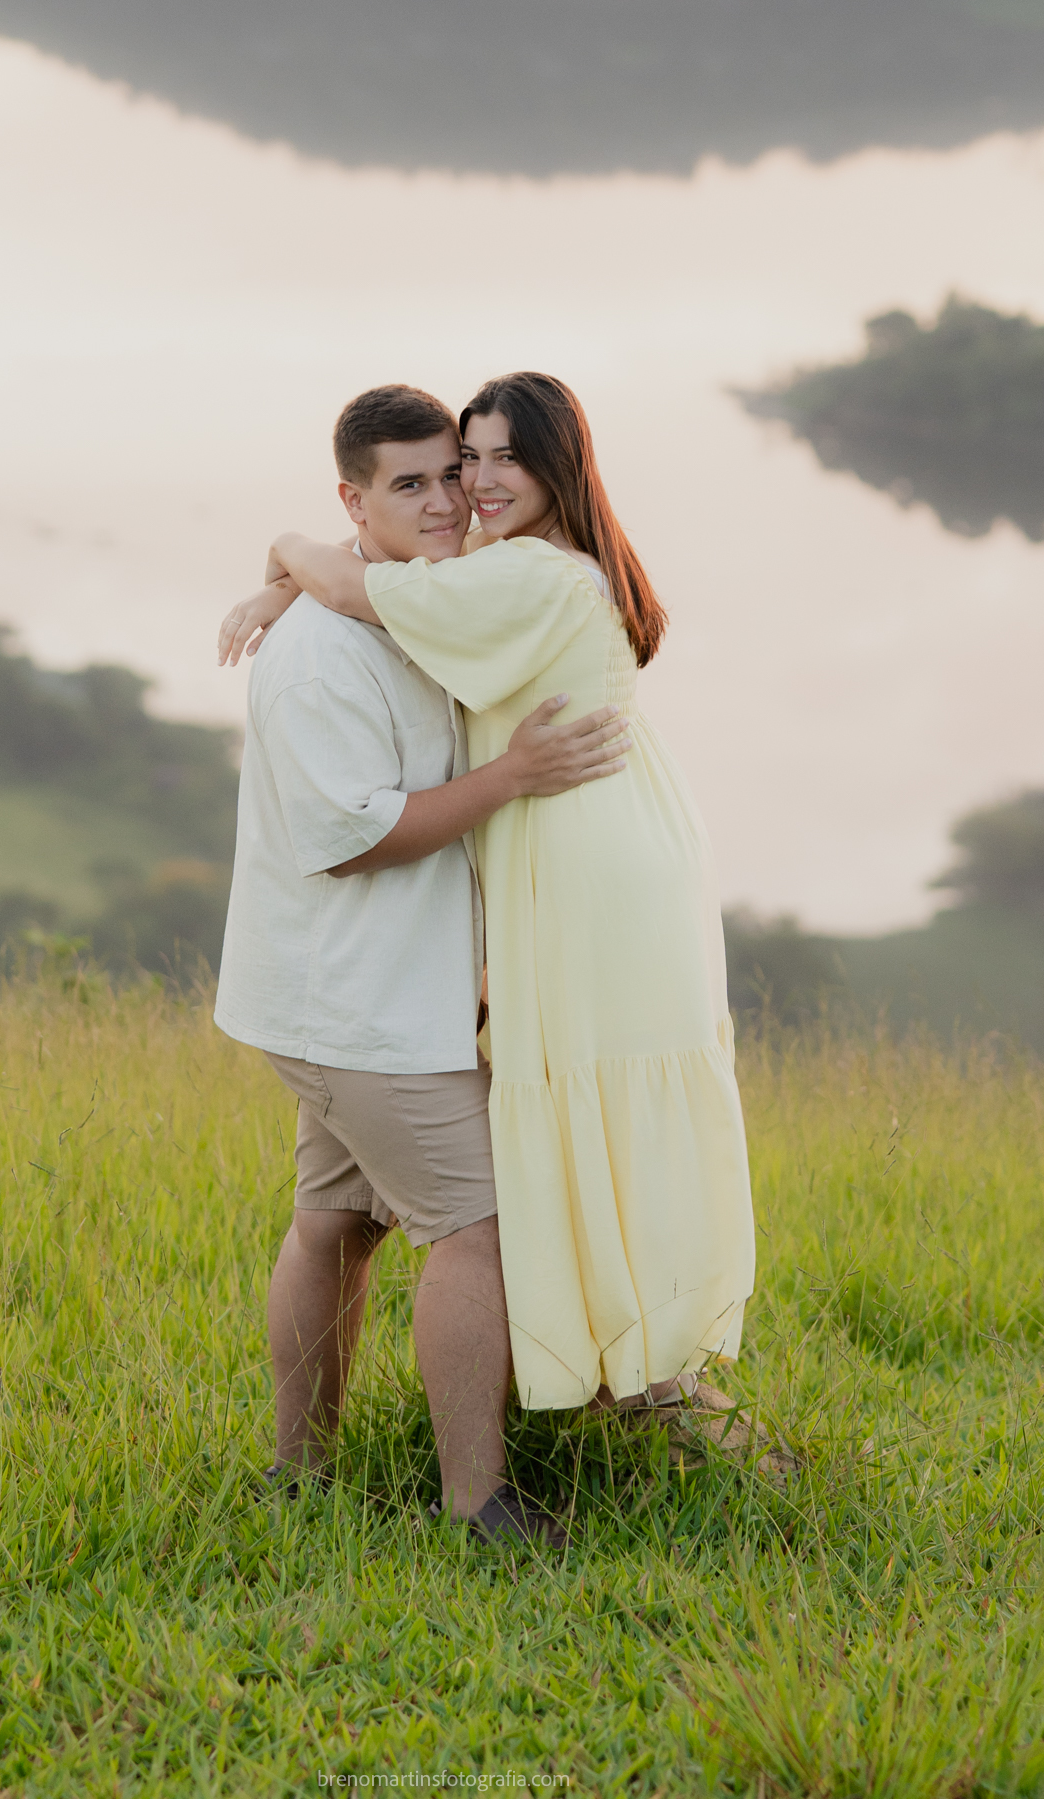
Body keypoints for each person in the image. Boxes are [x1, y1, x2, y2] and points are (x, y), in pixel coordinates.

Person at [222, 371, 756, 1417]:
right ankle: (638, 1385)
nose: (476, 483)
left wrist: (285, 553)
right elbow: (375, 580)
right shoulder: (504, 563)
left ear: (560, 462)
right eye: (471, 460)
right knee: (564, 1138)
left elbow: (361, 584)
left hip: (586, 856)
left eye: (503, 457)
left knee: (573, 1131)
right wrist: (292, 580)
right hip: (587, 841)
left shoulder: (528, 578)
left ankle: (640, 1383)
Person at [214, 383, 629, 1541]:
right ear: (357, 499)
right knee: (482, 1224)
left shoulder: (419, 600)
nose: (448, 498)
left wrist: (283, 563)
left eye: (454, 472)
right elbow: (351, 841)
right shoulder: (315, 665)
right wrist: (515, 776)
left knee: (336, 1218)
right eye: (412, 482)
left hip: (368, 991)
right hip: (354, 1002)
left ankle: (299, 1476)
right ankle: (477, 1501)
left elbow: (359, 573)